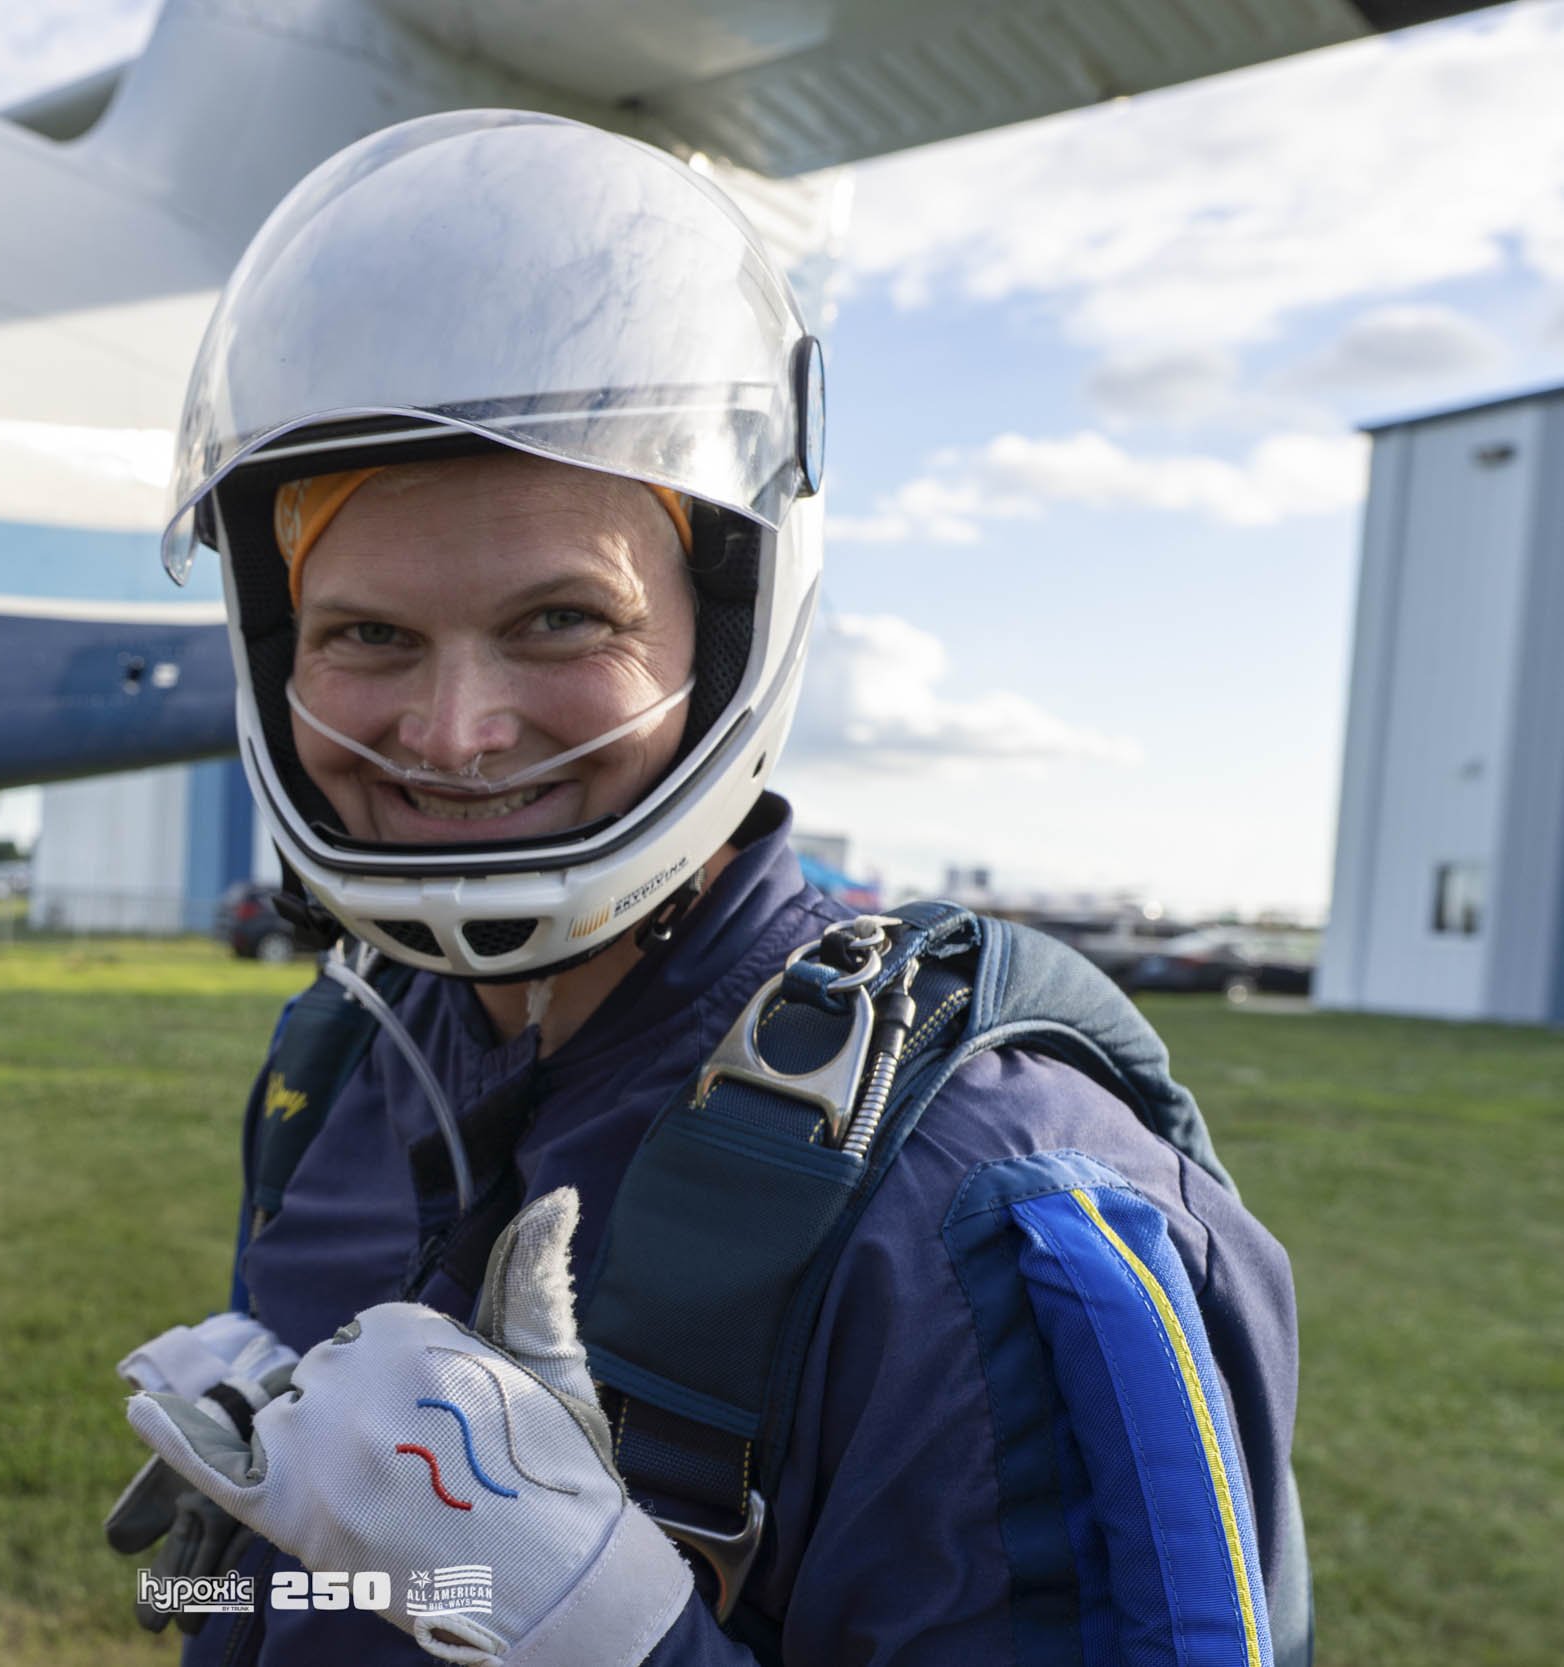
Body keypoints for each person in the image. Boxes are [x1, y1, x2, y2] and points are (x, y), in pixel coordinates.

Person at [111, 109, 1306, 1667]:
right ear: (282, 658)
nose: (458, 732)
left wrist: (614, 1638)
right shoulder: (342, 1061)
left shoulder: (974, 1195)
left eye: (559, 621)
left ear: (724, 629)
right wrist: (255, 1585)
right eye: (369, 637)